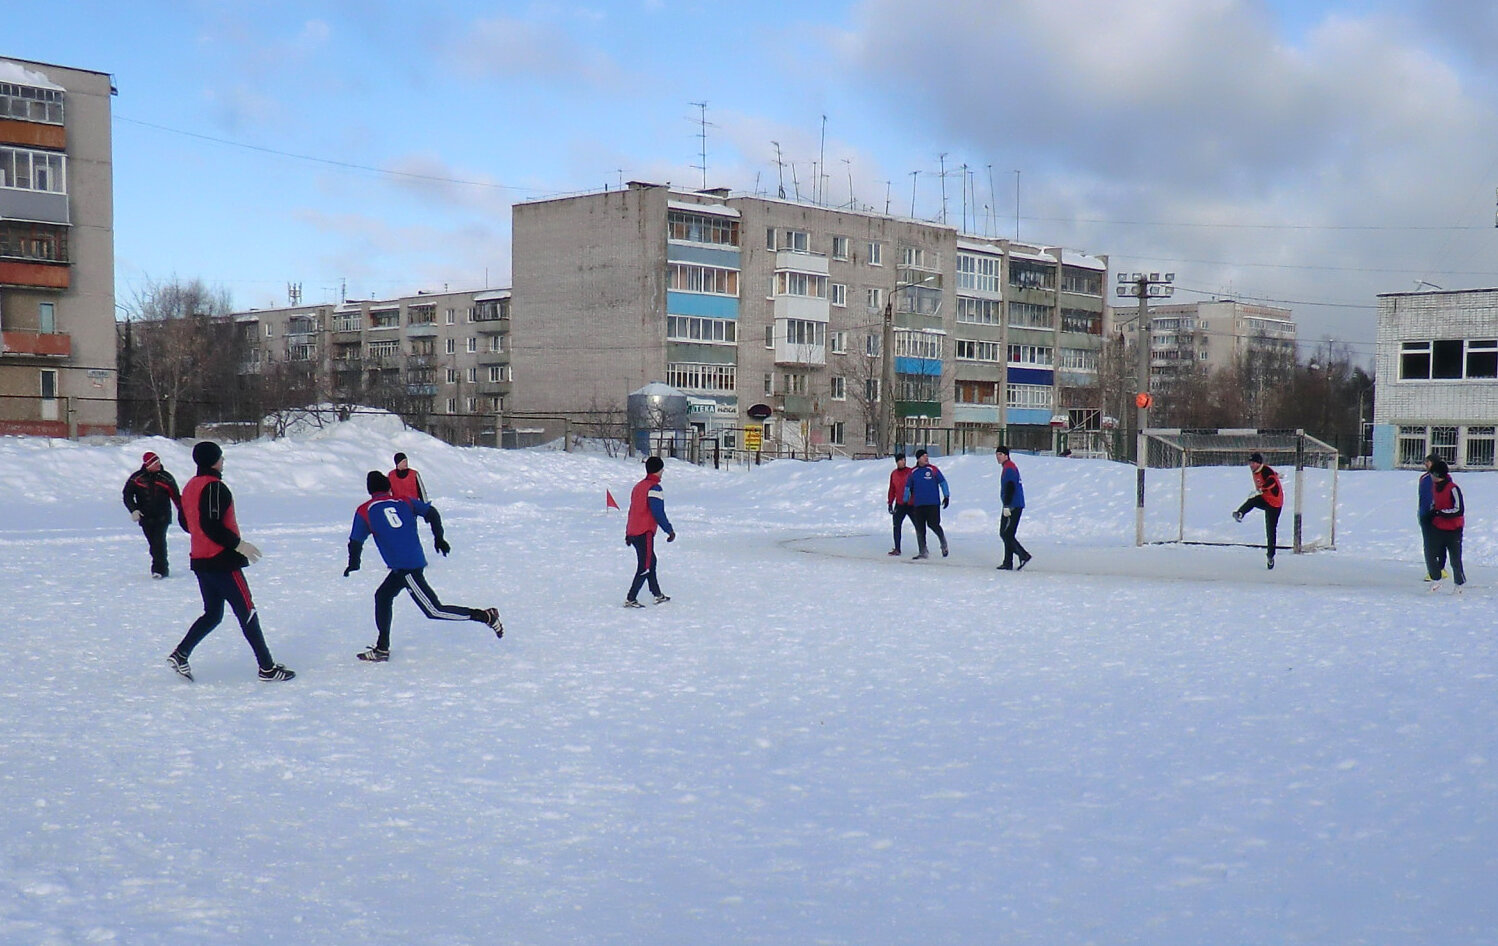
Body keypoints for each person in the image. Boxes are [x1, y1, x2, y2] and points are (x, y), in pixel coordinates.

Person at [167, 441, 295, 682]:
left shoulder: (191, 486)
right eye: (221, 458)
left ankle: (181, 654)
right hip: (221, 561)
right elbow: (211, 524)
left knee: (213, 614)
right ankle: (267, 668)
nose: (223, 462)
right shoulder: (215, 487)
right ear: (214, 460)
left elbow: (187, 524)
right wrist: (239, 545)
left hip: (200, 559)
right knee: (247, 611)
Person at [343, 471, 503, 662]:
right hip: (406, 564)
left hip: (406, 568)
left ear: (370, 491)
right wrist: (439, 537)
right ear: (388, 487)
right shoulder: (404, 501)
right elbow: (432, 512)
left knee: (434, 610)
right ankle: (382, 648)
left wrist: (354, 563)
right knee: (383, 596)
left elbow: (355, 541)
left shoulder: (365, 510)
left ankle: (485, 616)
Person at [122, 450, 185, 579]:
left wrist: (184, 512)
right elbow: (127, 495)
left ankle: (160, 569)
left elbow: (176, 497)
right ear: (147, 465)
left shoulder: (166, 478)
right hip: (145, 517)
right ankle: (160, 566)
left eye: (158, 462)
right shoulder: (137, 478)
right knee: (153, 543)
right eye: (155, 463)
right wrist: (133, 510)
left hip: (162, 517)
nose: (158, 465)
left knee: (159, 541)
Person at [624, 456, 675, 607]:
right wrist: (669, 530)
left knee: (651, 561)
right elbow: (657, 512)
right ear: (658, 471)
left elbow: (633, 510)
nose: (663, 472)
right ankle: (631, 598)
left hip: (634, 530)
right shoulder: (654, 488)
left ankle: (657, 594)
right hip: (644, 531)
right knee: (645, 565)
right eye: (662, 469)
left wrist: (628, 532)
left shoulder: (638, 486)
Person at [1232, 451, 1283, 569]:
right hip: (1265, 499)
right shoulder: (1256, 471)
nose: (1251, 465)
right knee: (1253, 500)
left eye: (1253, 463)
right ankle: (1240, 513)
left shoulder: (1265, 470)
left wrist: (1261, 490)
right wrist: (1277, 474)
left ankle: (1270, 556)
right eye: (1250, 463)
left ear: (1259, 463)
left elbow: (1271, 481)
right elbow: (1273, 475)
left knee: (1271, 530)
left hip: (1275, 504)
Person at [1425, 459, 1467, 592]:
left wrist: (1441, 512)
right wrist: (1432, 512)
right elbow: (1436, 503)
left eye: (1432, 474)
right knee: (1431, 554)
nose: (1431, 476)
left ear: (1437, 474)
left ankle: (1459, 584)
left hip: (1454, 529)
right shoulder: (1434, 487)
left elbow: (1459, 509)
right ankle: (1436, 579)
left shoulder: (1453, 488)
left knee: (1455, 558)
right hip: (1438, 527)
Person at [902, 449, 950, 559]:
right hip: (918, 504)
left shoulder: (932, 469)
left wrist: (946, 496)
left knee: (934, 524)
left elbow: (943, 482)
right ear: (918, 459)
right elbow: (908, 487)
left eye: (927, 456)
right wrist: (905, 500)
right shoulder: (913, 472)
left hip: (933, 503)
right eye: (923, 456)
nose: (926, 458)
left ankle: (943, 544)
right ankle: (923, 551)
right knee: (920, 528)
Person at [995, 444, 1031, 571]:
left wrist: (1007, 505)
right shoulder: (1008, 467)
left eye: (1000, 455)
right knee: (1006, 533)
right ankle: (1008, 562)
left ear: (1006, 456)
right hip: (1013, 504)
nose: (998, 457)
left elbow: (1010, 487)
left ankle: (1023, 555)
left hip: (1013, 505)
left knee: (1006, 534)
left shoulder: (1009, 468)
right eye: (997, 455)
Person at [1417, 453, 1448, 582]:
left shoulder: (1443, 477)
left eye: (1428, 462)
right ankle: (1434, 569)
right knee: (1429, 543)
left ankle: (1439, 569)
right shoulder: (1424, 478)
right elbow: (1423, 497)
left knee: (1438, 543)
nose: (1426, 464)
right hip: (1425, 514)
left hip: (1437, 514)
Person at [886, 451, 915, 556]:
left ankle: (923, 548)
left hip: (911, 504)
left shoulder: (910, 472)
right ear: (897, 462)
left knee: (918, 525)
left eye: (904, 460)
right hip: (899, 503)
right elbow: (892, 489)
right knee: (896, 525)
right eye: (901, 460)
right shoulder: (894, 474)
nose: (904, 462)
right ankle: (897, 548)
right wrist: (890, 502)